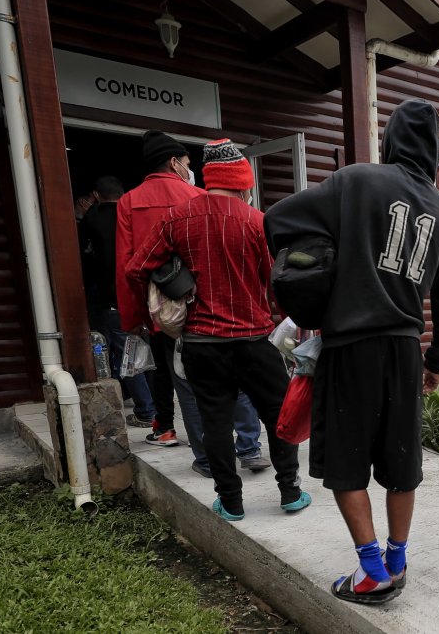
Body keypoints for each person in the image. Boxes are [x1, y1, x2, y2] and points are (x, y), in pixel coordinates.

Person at [264, 99, 439, 605]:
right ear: (436, 152)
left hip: (350, 346)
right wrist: (436, 362)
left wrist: (325, 268)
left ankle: (373, 571)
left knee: (345, 464)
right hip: (404, 351)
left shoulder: (356, 181)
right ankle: (397, 560)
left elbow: (279, 220)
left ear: (390, 140)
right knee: (401, 463)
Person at [124, 139, 308, 520]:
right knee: (277, 417)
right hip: (255, 339)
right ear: (243, 180)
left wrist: (164, 297)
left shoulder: (176, 218)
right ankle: (290, 492)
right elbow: (277, 282)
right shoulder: (257, 221)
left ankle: (232, 502)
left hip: (201, 342)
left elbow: (136, 268)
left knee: (215, 421)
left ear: (208, 178)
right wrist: (291, 320)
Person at [115, 130, 270, 476]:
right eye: (187, 163)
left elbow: (131, 268)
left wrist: (139, 317)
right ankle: (249, 447)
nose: (189, 168)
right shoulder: (200, 200)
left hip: (168, 316)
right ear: (175, 163)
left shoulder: (129, 202)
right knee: (237, 380)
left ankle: (206, 459)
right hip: (222, 312)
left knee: (189, 387)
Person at [80, 175, 156, 427]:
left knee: (127, 354)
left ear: (97, 195)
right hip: (147, 296)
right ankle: (156, 404)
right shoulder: (136, 218)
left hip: (113, 299)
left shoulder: (94, 218)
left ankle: (146, 410)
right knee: (149, 352)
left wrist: (89, 209)